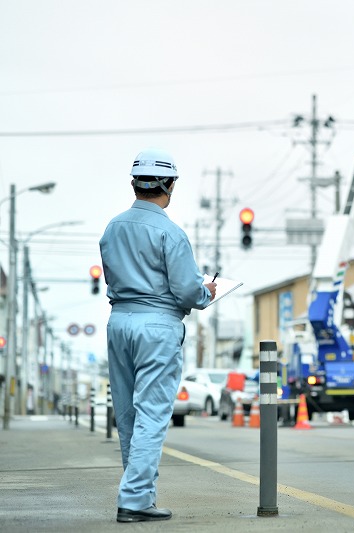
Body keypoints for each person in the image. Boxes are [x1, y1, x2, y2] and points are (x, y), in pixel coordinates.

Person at [100, 148, 216, 523]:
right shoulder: (170, 232)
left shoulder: (113, 227)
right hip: (157, 325)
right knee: (152, 413)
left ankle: (140, 495)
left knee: (128, 413)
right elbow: (186, 291)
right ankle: (134, 500)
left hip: (119, 322)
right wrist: (206, 292)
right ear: (169, 185)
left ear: (135, 184)